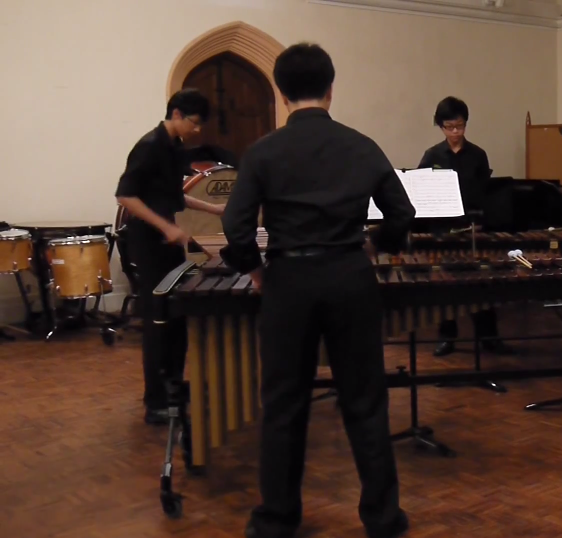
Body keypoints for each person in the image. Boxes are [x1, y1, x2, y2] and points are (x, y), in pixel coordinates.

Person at [220, 43, 414, 538]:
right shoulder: (361, 145)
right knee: (365, 402)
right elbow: (402, 213)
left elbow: (236, 227)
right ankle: (383, 519)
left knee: (283, 404)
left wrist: (256, 272)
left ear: (282, 94)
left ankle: (277, 520)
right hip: (349, 277)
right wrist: (375, 245)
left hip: (289, 282)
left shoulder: (262, 151)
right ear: (331, 89)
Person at [114, 88, 224, 425]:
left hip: (167, 242)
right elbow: (125, 197)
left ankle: (174, 385)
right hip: (148, 243)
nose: (197, 130)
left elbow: (174, 195)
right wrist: (166, 227)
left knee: (177, 315)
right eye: (194, 122)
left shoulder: (175, 147)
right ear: (176, 114)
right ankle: (155, 401)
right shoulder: (149, 146)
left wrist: (214, 208)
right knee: (157, 320)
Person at [417, 96, 512, 356]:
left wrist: (481, 221)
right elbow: (423, 192)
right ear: (440, 126)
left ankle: (488, 337)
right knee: (445, 286)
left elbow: (486, 195)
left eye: (459, 126)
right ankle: (446, 337)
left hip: (472, 228)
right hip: (443, 230)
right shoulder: (432, 155)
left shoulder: (478, 155)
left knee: (482, 284)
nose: (455, 132)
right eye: (449, 127)